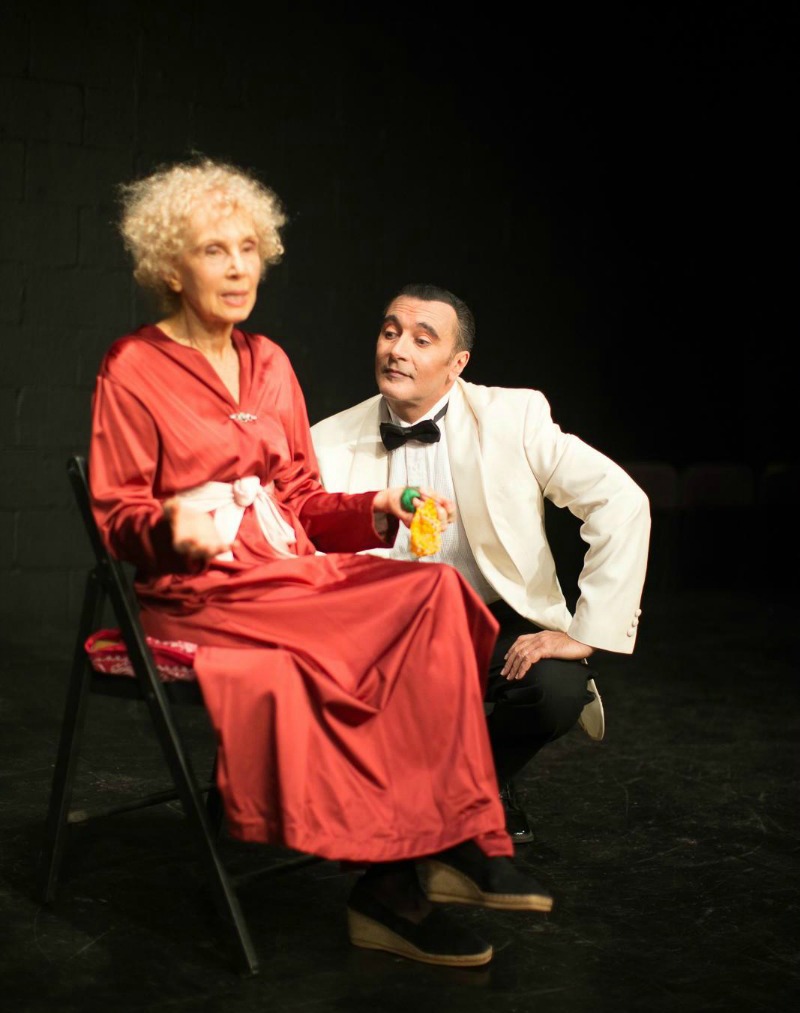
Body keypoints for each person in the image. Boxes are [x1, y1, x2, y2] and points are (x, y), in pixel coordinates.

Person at [88, 158, 556, 970]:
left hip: (288, 576)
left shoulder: (269, 362)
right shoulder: (132, 367)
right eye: (212, 250)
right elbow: (119, 520)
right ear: (170, 266)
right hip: (203, 594)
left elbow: (301, 498)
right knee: (373, 631)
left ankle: (436, 844)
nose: (238, 267)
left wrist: (374, 509)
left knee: (436, 591)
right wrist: (178, 526)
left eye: (247, 248)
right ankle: (401, 874)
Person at [310, 283, 652, 843]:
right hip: (384, 632)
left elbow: (621, 501)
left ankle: (472, 788)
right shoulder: (327, 439)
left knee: (557, 691)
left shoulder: (513, 417)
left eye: (423, 340)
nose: (398, 349)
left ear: (457, 363)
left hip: (488, 623)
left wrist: (587, 633)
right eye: (390, 332)